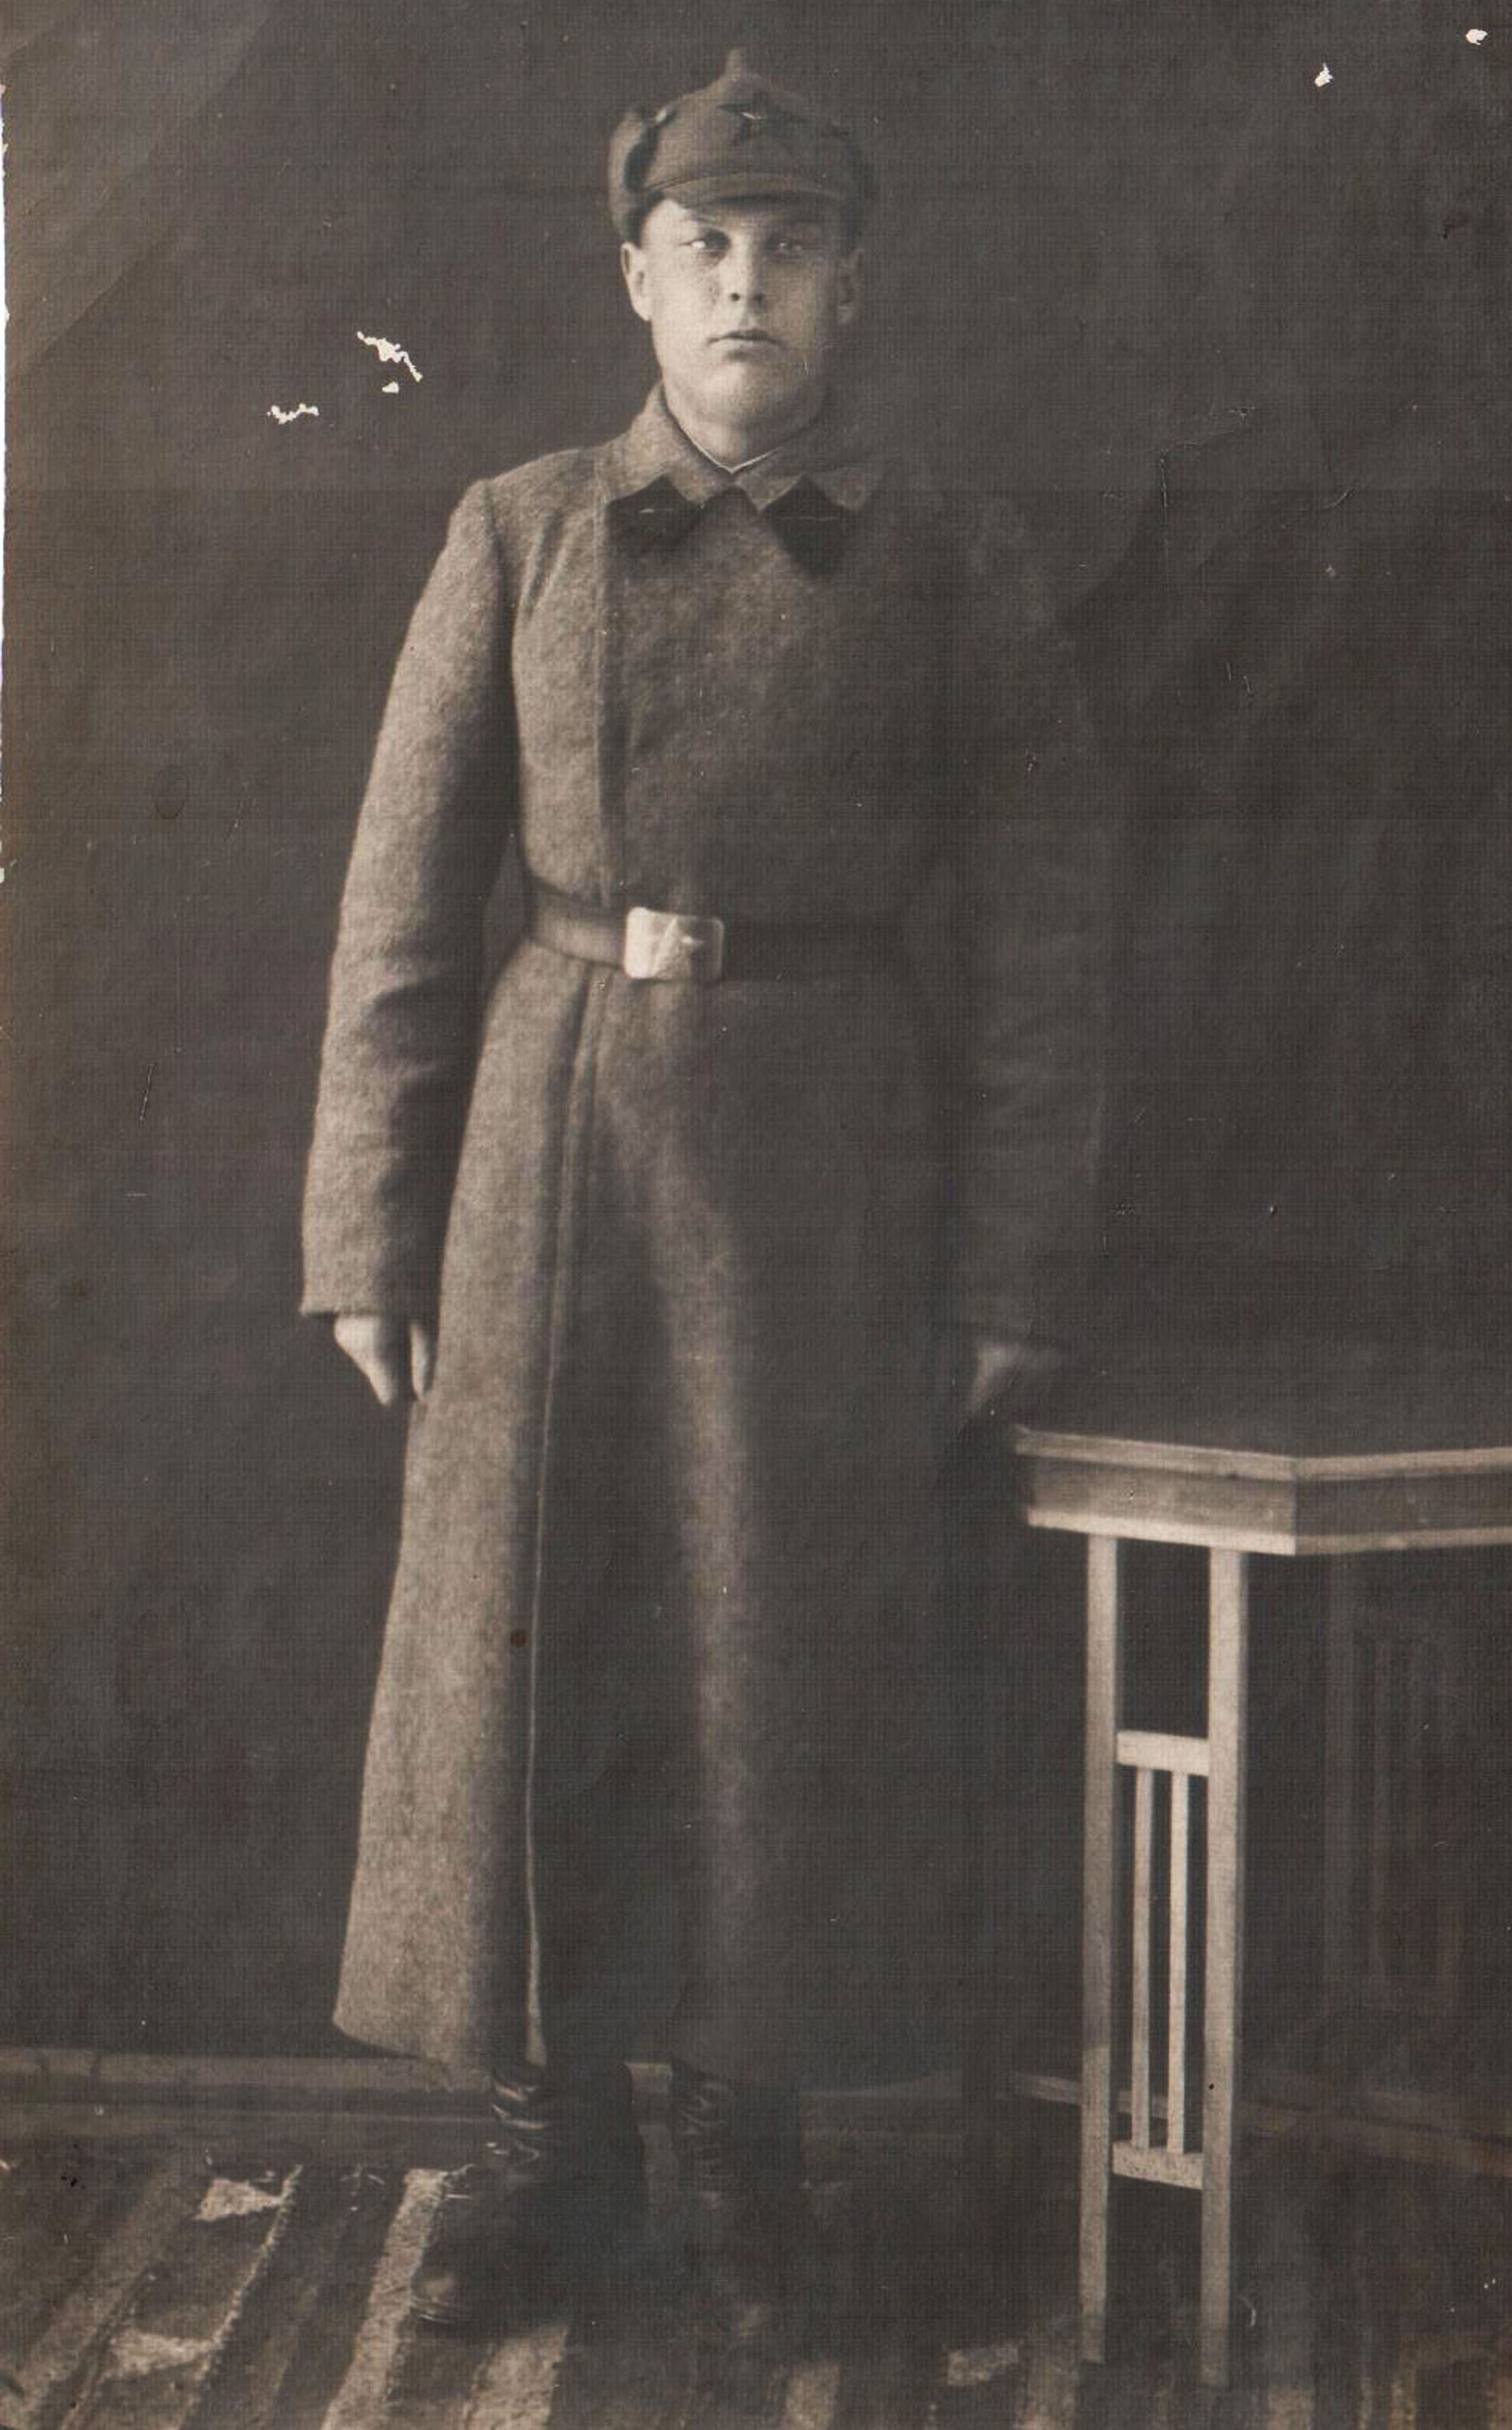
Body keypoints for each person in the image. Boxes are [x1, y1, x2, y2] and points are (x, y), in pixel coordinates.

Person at [302, 50, 1107, 2330]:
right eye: (706, 248)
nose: (748, 285)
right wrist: (366, 1230)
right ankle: (542, 2152)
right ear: (637, 283)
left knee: (776, 1652)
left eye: (792, 249)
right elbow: (400, 903)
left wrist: (1011, 1267)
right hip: (546, 1152)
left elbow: (1051, 940)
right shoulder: (518, 529)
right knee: (529, 1645)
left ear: (856, 289)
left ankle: (752, 2165)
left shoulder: (952, 556)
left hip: (827, 1169)